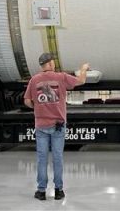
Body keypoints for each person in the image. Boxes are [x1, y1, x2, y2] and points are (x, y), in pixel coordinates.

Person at [24, 53, 90, 201]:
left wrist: (39, 107)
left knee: (42, 158)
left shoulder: (34, 80)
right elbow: (81, 80)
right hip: (58, 125)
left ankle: (41, 191)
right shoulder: (61, 77)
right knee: (57, 158)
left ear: (42, 65)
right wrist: (83, 68)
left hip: (41, 125)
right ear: (50, 63)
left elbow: (27, 100)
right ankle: (58, 191)